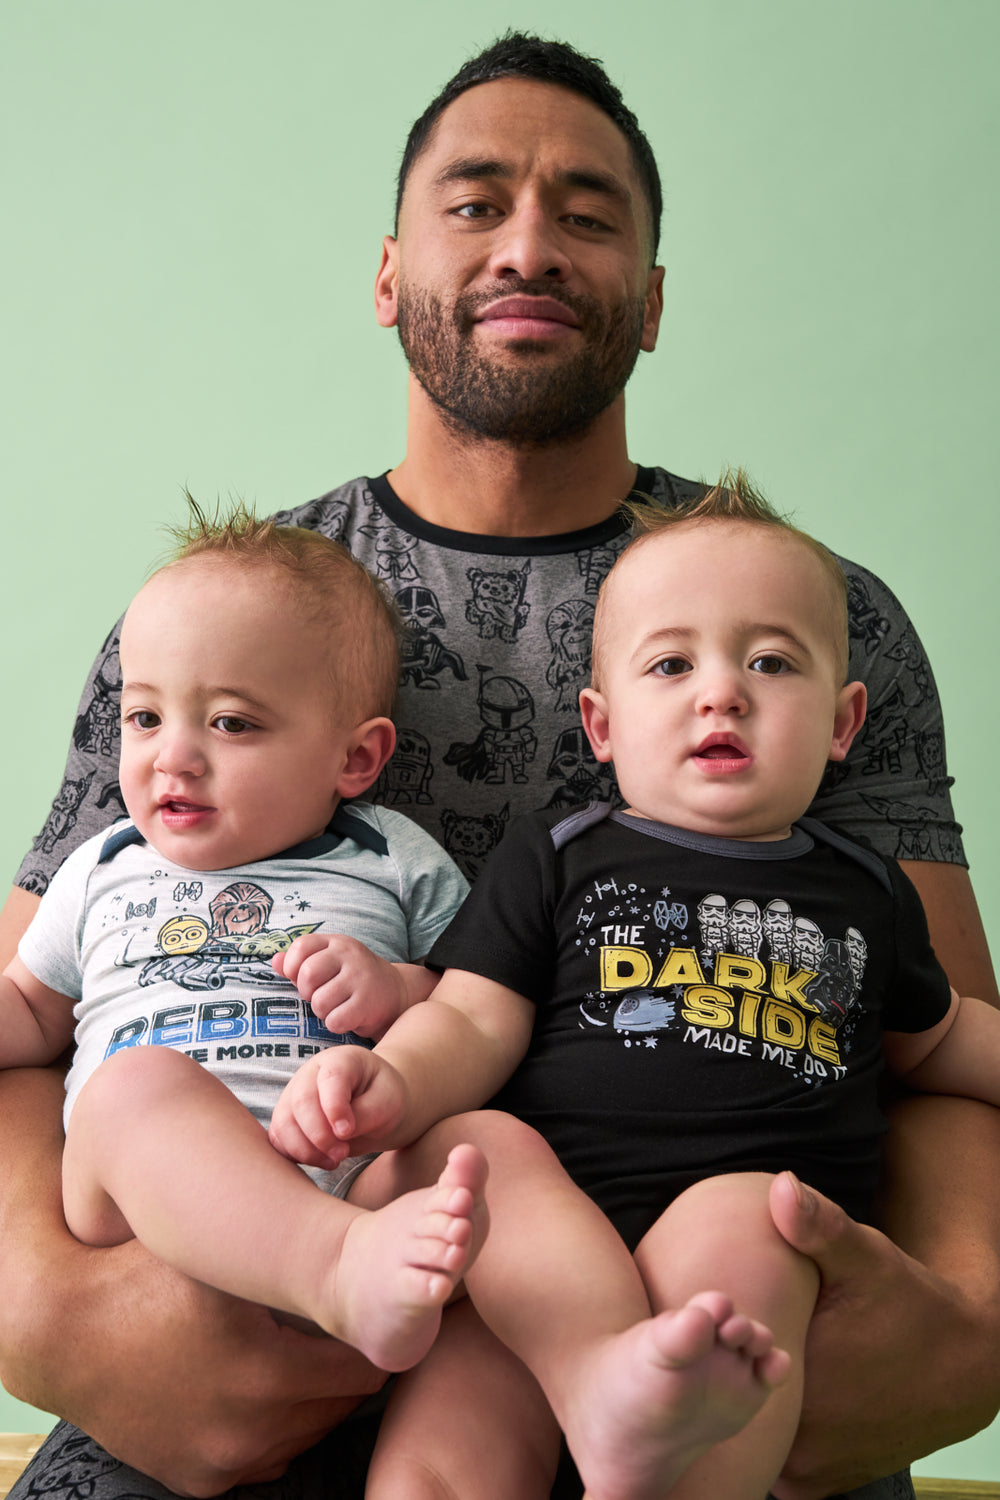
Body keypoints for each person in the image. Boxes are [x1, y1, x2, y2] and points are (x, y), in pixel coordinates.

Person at [0, 30, 995, 1500]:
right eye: (476, 202)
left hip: (706, 1330)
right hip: (227, 1325)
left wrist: (969, 1325)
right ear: (389, 270)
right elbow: (43, 1001)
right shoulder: (235, 614)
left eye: (589, 214)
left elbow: (944, 1050)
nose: (530, 242)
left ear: (651, 303)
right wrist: (50, 1312)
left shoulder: (796, 617)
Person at [286, 480, 1000, 1500]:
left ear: (843, 723)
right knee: (474, 1153)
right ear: (602, 723)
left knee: (758, 1219)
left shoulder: (864, 889)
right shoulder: (562, 855)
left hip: (734, 1248)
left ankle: (657, 1461)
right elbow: (473, 1016)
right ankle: (589, 1392)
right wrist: (391, 1082)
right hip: (544, 1259)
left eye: (769, 662)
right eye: (673, 664)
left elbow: (934, 1044)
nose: (722, 693)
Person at [0, 507, 496, 1375]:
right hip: (147, 1213)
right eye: (145, 718)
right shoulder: (103, 866)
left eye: (230, 724)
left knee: (495, 1152)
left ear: (355, 759)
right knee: (131, 1089)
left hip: (350, 1174)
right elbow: (31, 1011)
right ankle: (333, 1268)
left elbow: (477, 998)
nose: (173, 759)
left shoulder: (389, 858)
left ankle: (598, 1358)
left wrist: (401, 991)